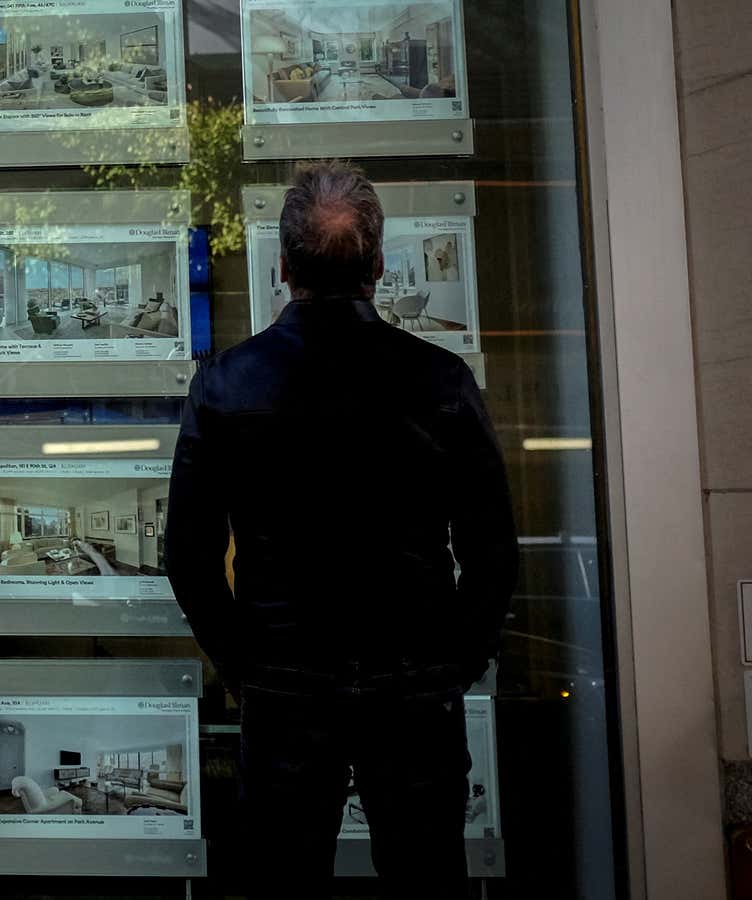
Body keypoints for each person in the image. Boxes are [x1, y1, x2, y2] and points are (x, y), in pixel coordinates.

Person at [165, 160, 517, 900]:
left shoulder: (227, 384)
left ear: (283, 265)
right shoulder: (441, 381)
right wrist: (449, 666)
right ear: (380, 266)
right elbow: (492, 552)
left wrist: (246, 668)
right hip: (414, 694)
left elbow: (188, 557)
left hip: (286, 693)